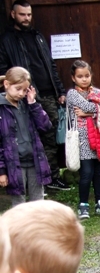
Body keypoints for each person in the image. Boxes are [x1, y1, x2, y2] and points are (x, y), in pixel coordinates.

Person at [0, 0, 70, 191]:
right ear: (13, 14)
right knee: (28, 137)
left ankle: (51, 178)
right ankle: (33, 181)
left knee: (50, 136)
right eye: (22, 14)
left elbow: (50, 65)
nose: (26, 18)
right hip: (24, 95)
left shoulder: (38, 36)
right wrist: (14, 91)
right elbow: (3, 70)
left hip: (48, 94)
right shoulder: (7, 40)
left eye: (29, 14)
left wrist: (59, 90)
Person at [67, 60, 100, 219]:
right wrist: (97, 110)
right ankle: (83, 205)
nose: (84, 79)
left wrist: (89, 113)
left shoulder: (97, 91)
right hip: (83, 140)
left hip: (98, 138)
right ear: (73, 78)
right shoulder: (72, 94)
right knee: (86, 173)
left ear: (91, 75)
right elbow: (98, 106)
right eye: (80, 76)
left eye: (87, 75)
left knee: (98, 173)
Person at [0, 67, 52, 205]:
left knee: (38, 202)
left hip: (35, 160)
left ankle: (38, 221)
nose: (21, 93)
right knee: (19, 204)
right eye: (18, 89)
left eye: (25, 90)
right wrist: (1, 171)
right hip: (14, 164)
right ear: (6, 84)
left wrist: (33, 104)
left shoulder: (28, 104)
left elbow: (45, 126)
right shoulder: (1, 108)